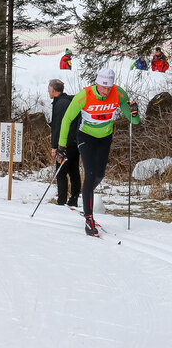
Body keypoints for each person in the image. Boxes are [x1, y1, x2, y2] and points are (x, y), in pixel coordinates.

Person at [57, 67, 140, 236]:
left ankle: (86, 192)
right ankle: (89, 219)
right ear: (97, 83)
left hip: (105, 138)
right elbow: (67, 119)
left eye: (109, 88)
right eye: (103, 87)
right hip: (86, 137)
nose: (106, 92)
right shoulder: (84, 95)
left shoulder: (119, 94)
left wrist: (134, 112)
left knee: (99, 175)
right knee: (90, 173)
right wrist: (61, 146)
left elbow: (135, 121)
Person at [48, 79, 80, 207]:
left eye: (49, 89)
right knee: (74, 172)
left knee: (61, 173)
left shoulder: (60, 103)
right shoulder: (71, 100)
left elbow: (58, 126)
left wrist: (54, 146)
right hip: (76, 141)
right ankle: (74, 200)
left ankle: (61, 201)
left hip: (64, 143)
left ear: (53, 90)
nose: (48, 92)